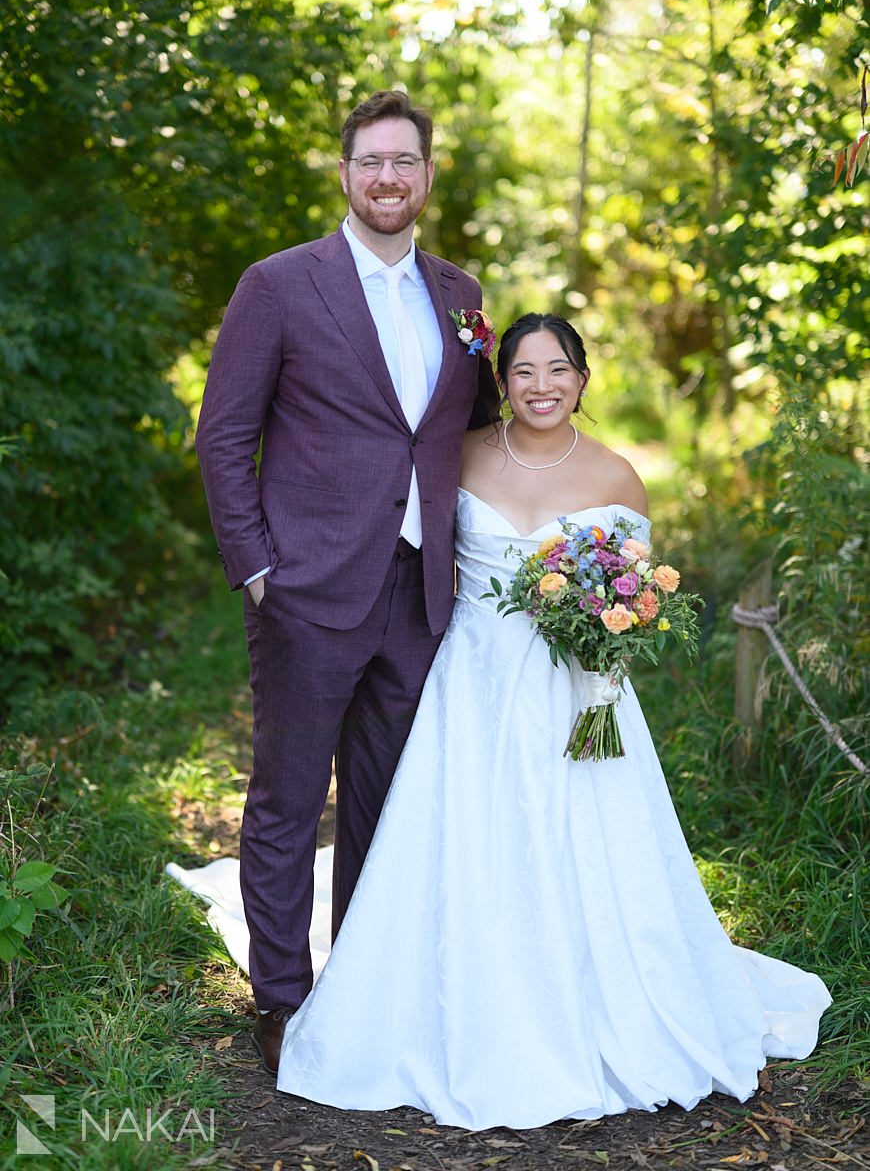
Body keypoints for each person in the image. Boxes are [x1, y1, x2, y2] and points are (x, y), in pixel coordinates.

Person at [274, 313, 831, 1130]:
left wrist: (605, 624)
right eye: (524, 371)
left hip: (581, 693)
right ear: (502, 382)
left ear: (583, 379)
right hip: (471, 684)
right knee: (463, 838)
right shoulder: (460, 456)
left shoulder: (617, 476)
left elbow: (636, 597)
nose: (542, 386)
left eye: (558, 369)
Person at [195, 89, 499, 1073]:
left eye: (404, 163)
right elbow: (224, 436)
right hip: (306, 591)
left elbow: (477, 435)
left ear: (426, 175)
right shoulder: (279, 285)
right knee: (287, 800)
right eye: (370, 161)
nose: (386, 178)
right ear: (344, 173)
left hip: (420, 595)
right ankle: (282, 1003)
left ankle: (365, 987)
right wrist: (255, 568)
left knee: (388, 802)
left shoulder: (461, 297)